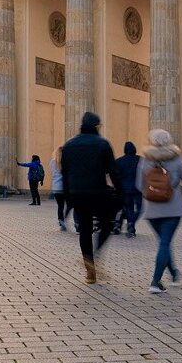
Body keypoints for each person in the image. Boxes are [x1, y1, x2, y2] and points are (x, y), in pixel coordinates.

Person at [60, 112, 121, 285]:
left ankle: (90, 271)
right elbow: (113, 171)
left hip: (77, 194)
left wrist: (68, 198)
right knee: (108, 224)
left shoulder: (69, 145)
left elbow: (65, 174)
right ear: (96, 127)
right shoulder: (102, 144)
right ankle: (97, 252)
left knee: (85, 230)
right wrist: (121, 192)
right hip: (98, 192)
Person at [137, 129, 182, 294]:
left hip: (152, 211)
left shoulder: (145, 160)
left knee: (164, 243)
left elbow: (138, 185)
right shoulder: (176, 160)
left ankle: (174, 273)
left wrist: (153, 192)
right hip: (172, 210)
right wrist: (177, 190)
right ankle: (155, 281)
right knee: (165, 243)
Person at [115, 141, 142, 237]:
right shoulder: (141, 160)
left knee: (129, 208)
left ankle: (130, 225)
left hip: (124, 189)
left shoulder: (119, 161)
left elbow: (115, 175)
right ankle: (131, 224)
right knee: (140, 209)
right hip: (138, 189)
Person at [49, 148, 73, 231]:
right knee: (70, 204)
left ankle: (60, 219)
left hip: (56, 187)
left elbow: (52, 172)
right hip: (65, 187)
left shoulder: (52, 162)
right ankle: (65, 218)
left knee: (60, 206)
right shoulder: (66, 161)